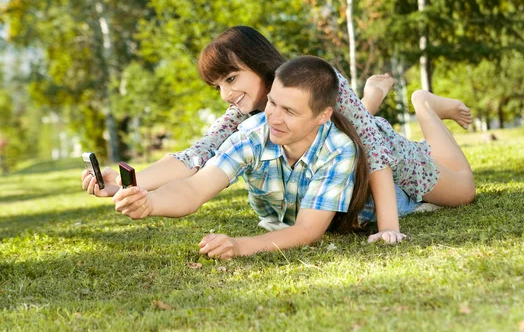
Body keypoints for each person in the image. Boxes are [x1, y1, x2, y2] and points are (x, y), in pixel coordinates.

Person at [82, 26, 476, 244]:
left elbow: (372, 151)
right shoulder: (242, 115)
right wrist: (120, 183)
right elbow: (195, 157)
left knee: (463, 192)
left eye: (231, 78)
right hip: (335, 136)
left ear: (259, 65)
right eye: (217, 85)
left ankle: (424, 105)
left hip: (384, 151)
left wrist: (389, 227)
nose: (226, 93)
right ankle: (371, 93)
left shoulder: (318, 78)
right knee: (329, 130)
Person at [112, 56, 370, 259]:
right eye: (272, 103)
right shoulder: (253, 134)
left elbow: (308, 230)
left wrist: (239, 246)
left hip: (373, 205)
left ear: (323, 116)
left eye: (289, 111)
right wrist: (150, 202)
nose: (274, 118)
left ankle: (382, 96)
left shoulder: (339, 148)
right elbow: (195, 186)